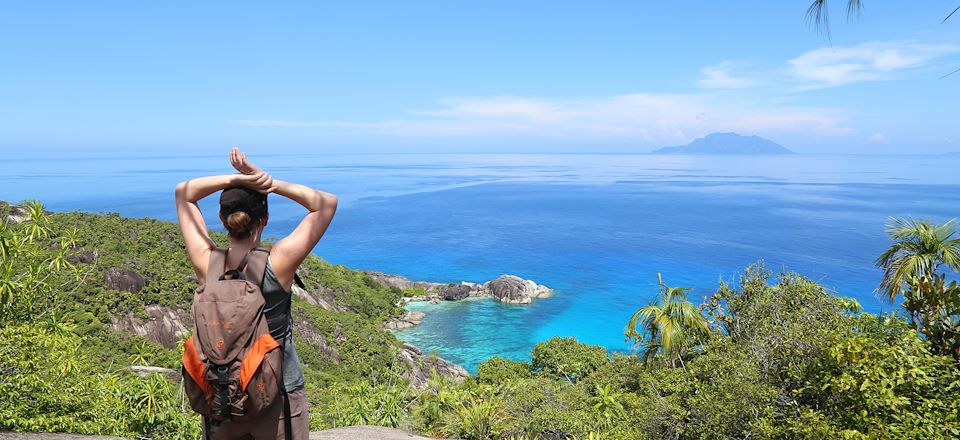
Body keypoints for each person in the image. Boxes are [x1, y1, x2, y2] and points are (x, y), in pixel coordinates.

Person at [175, 147, 338, 439]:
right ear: (264, 219)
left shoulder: (207, 262)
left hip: (221, 396)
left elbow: (184, 193)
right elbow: (326, 204)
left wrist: (235, 179)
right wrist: (266, 181)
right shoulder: (279, 262)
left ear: (223, 218)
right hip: (279, 396)